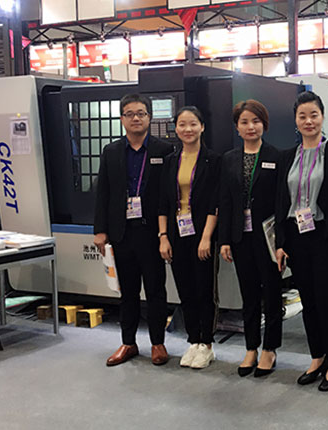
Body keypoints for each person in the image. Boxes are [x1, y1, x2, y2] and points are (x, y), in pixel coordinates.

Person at [274, 91, 328, 392]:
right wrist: (280, 242)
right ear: (296, 121)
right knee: (307, 300)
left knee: (325, 299)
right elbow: (281, 202)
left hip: (324, 236)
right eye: (302, 116)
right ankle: (317, 356)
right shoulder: (287, 156)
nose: (308, 121)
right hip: (296, 236)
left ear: (323, 117)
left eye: (314, 115)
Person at [94, 94, 173, 366]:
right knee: (127, 291)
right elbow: (103, 193)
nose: (136, 118)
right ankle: (128, 343)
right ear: (122, 119)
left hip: (151, 232)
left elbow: (168, 194)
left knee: (155, 289)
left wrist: (166, 233)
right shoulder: (111, 151)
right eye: (130, 114)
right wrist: (100, 230)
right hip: (122, 232)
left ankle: (158, 343)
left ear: (149, 117)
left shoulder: (164, 150)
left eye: (141, 113)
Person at [218, 100, 282, 377]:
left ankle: (270, 348)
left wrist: (282, 242)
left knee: (272, 292)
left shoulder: (276, 156)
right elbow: (225, 200)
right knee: (249, 294)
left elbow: (281, 201)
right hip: (239, 237)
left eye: (255, 121)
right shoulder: (229, 159)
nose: (250, 126)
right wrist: (224, 240)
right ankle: (251, 347)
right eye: (244, 122)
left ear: (264, 124)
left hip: (267, 237)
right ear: (237, 127)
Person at [158, 106, 220, 369]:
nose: (188, 129)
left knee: (204, 289)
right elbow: (163, 202)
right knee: (185, 289)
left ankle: (207, 343)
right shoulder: (171, 161)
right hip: (176, 233)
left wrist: (206, 238)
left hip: (202, 232)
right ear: (176, 128)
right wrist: (163, 236)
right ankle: (193, 340)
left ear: (202, 127)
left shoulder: (212, 160)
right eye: (182, 124)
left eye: (193, 124)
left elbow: (215, 203)